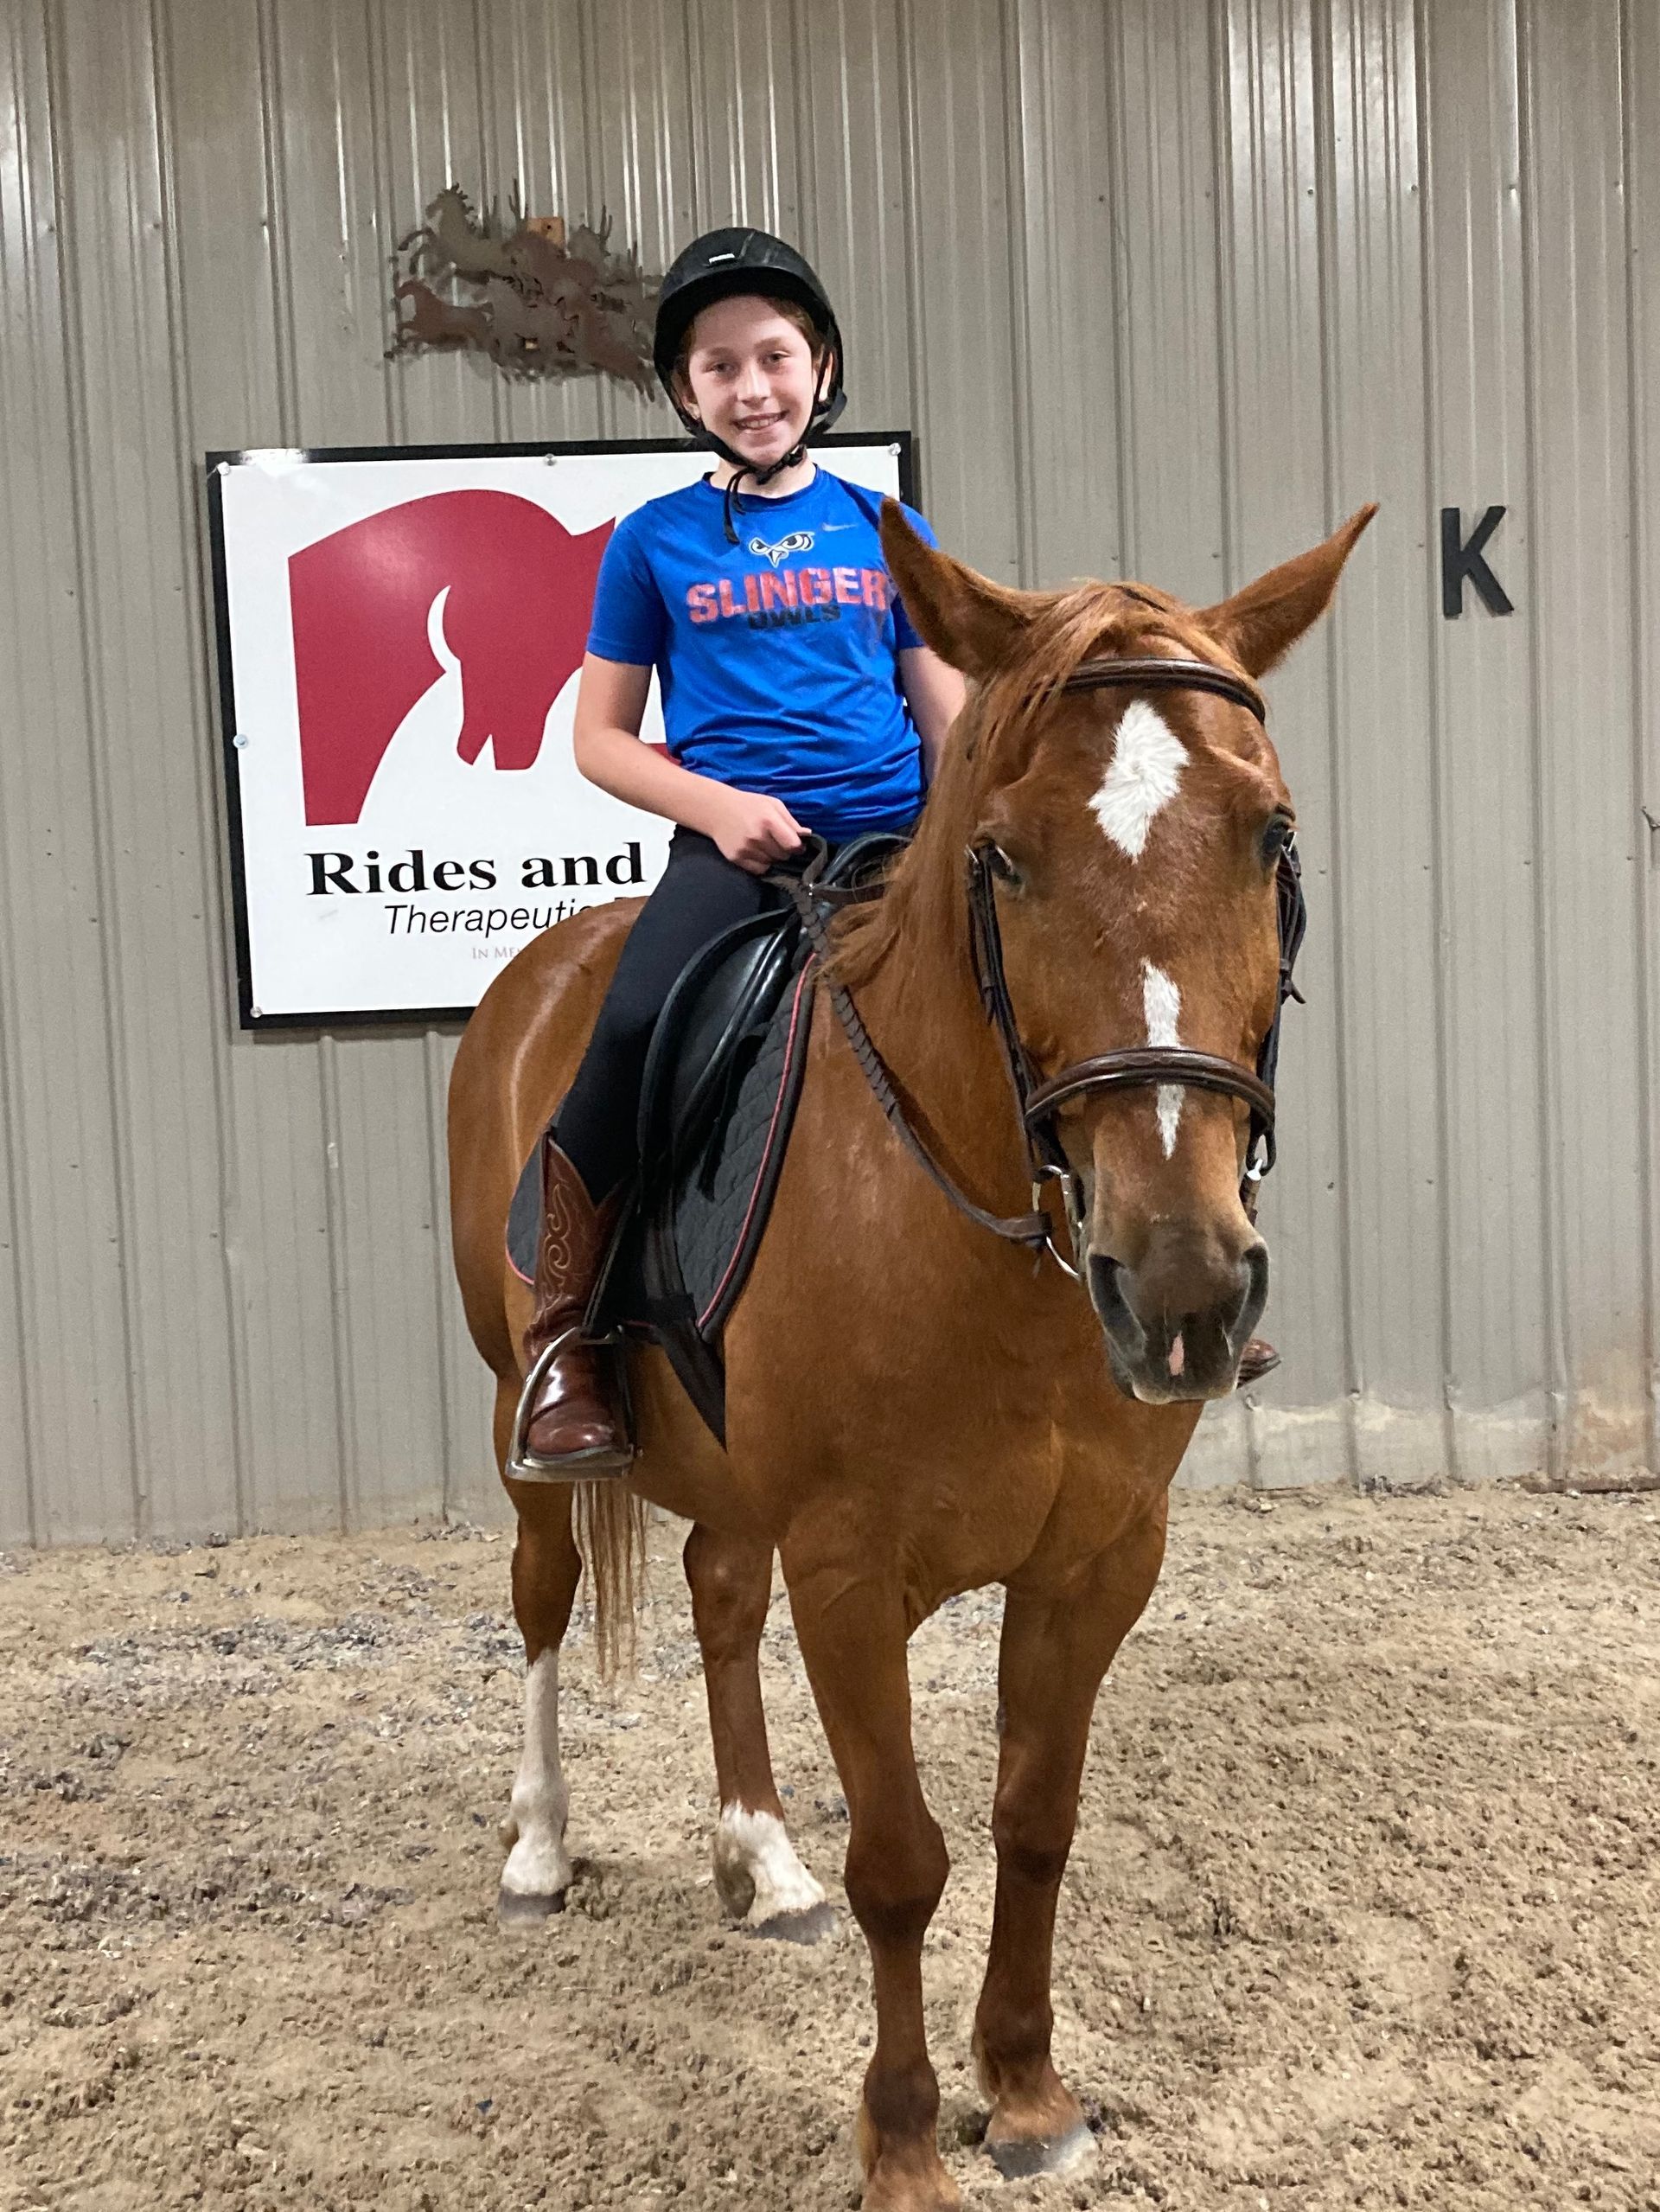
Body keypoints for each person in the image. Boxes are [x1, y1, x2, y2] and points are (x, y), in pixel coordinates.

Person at [516, 227, 966, 1474]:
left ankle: (1146, 1274)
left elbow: (949, 713)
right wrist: (717, 811)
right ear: (685, 392)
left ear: (821, 365)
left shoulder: (885, 524)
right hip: (742, 853)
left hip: (895, 840)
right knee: (626, 1028)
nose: (752, 387)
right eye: (719, 367)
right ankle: (570, 1333)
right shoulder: (652, 542)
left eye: (773, 356)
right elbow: (599, 742)